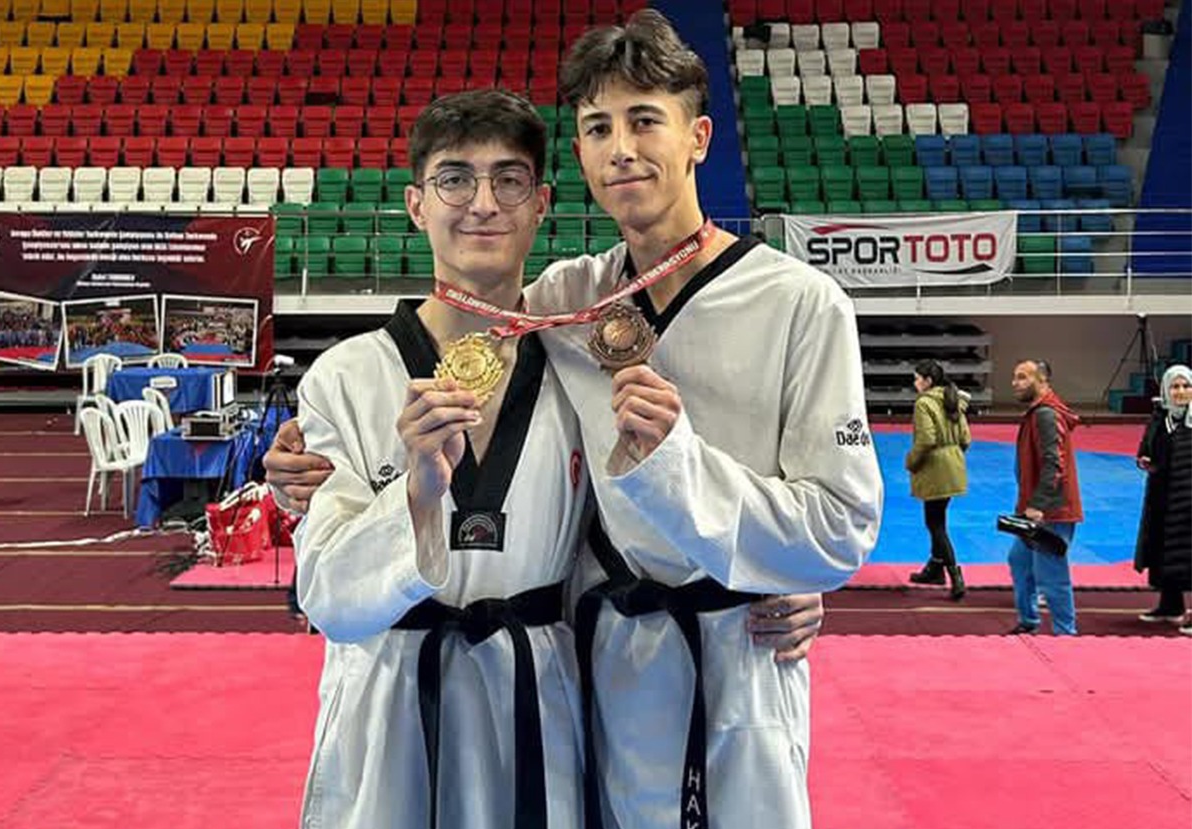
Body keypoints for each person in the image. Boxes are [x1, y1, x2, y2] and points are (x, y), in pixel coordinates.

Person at [268, 11, 877, 829]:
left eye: (644, 121)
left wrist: (779, 574)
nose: (621, 148)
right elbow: (560, 501)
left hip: (740, 654)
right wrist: (307, 475)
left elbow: (838, 527)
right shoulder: (565, 303)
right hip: (604, 672)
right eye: (598, 128)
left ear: (698, 138)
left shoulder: (801, 303)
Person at [290, 89, 588, 829]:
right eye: (455, 178)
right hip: (388, 701)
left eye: (509, 179)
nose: (482, 203)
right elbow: (326, 593)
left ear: (541, 204)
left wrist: (764, 592)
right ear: (417, 205)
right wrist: (416, 496)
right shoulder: (344, 378)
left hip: (534, 700)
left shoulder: (581, 370)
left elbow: (622, 546)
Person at [1006, 359, 1082, 636]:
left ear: (1042, 380)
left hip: (1051, 510)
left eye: (1022, 377)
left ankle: (1065, 632)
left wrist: (1038, 504)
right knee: (1019, 561)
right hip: (1034, 507)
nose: (1015, 383)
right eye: (1015, 377)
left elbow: (1054, 462)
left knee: (1051, 572)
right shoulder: (1038, 413)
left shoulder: (1046, 415)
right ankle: (1029, 621)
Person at [905, 359, 972, 601]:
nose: (915, 383)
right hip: (954, 465)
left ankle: (955, 574)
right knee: (938, 517)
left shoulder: (924, 403)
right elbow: (966, 438)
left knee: (935, 523)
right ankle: (934, 568)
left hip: (935, 468)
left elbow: (926, 439)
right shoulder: (953, 400)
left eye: (917, 378)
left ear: (928, 381)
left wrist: (911, 461)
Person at [1134, 364, 1192, 634]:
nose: (1180, 391)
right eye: (1175, 386)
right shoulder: (1160, 419)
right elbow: (1146, 450)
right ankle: (1170, 605)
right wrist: (1145, 460)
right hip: (1164, 496)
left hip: (1189, 496)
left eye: (1186, 386)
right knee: (1165, 550)